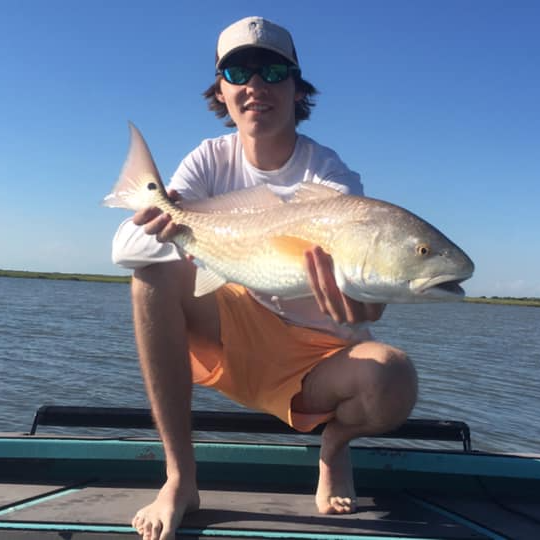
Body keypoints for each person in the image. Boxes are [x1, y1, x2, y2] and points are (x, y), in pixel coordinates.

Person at [111, 16, 417, 540]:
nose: (256, 84)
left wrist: (364, 305)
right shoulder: (208, 159)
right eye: (238, 71)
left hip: (318, 356)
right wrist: (169, 227)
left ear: (297, 89)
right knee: (151, 277)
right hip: (230, 334)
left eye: (274, 70)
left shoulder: (330, 175)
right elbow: (125, 249)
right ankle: (180, 478)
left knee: (393, 378)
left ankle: (335, 446)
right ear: (222, 91)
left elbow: (367, 296)